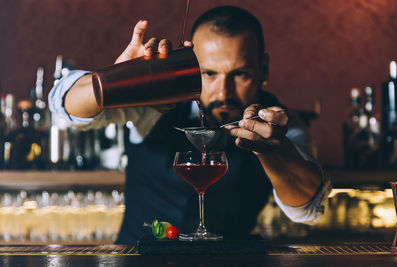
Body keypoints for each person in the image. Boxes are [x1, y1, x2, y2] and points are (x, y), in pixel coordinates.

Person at [49, 6, 331, 244]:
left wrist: (276, 153)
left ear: (263, 69)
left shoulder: (280, 125)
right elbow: (64, 107)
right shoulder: (156, 103)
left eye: (240, 74)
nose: (223, 92)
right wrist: (118, 82)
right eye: (209, 73)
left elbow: (306, 210)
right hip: (138, 260)